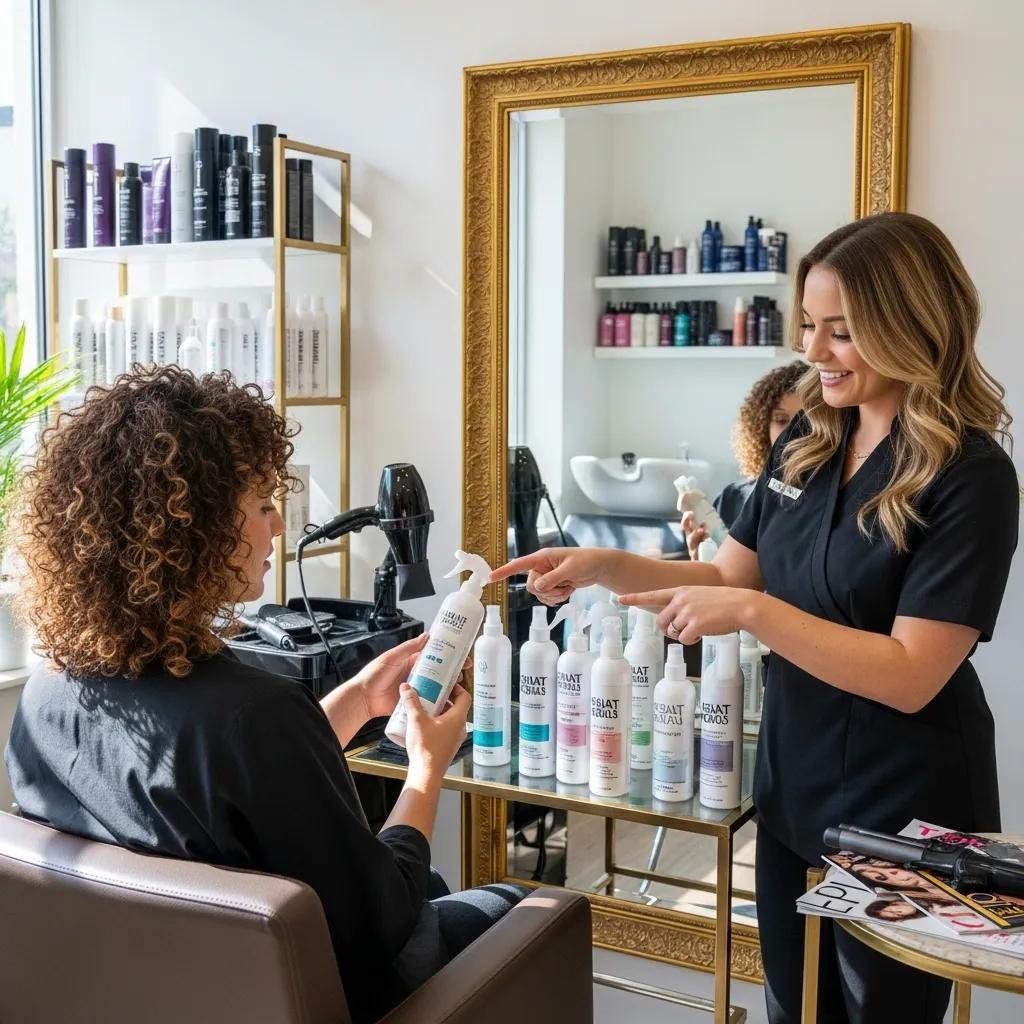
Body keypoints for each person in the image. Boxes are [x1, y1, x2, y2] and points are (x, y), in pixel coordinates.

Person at [492, 212, 1019, 1023]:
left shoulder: (970, 477)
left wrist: (753, 611)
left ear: (910, 323)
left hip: (906, 804)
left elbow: (913, 674)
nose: (812, 352)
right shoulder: (809, 438)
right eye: (810, 325)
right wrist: (605, 568)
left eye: (840, 332)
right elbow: (727, 572)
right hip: (794, 788)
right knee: (788, 1007)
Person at [4, 367, 525, 1024]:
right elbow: (384, 920)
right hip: (323, 998)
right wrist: (426, 771)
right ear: (192, 529)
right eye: (261, 506)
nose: (277, 528)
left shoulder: (50, 690)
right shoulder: (254, 713)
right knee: (509, 906)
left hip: (154, 995)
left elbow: (221, 801)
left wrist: (360, 699)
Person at [684, 362, 805, 558]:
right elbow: (719, 579)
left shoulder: (832, 503)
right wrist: (699, 558)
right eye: (781, 420)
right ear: (762, 428)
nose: (792, 433)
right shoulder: (733, 498)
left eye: (805, 421)